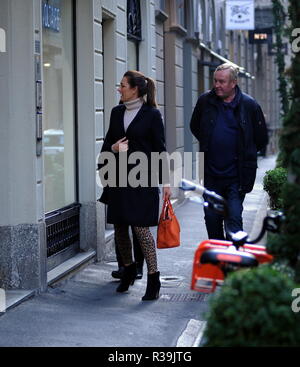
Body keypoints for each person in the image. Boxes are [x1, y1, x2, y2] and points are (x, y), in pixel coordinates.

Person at [98, 70, 171, 300]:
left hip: (143, 178)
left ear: (135, 89)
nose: (119, 89)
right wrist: (113, 150)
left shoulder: (151, 114)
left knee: (140, 229)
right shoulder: (116, 112)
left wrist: (167, 181)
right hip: (119, 177)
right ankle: (128, 270)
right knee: (120, 227)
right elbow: (108, 143)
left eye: (122, 85)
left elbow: (160, 148)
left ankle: (154, 277)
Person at [190, 63, 268, 240]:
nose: (217, 85)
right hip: (211, 175)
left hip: (237, 177)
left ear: (233, 83)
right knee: (211, 218)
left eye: (222, 82)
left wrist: (246, 154)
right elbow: (194, 126)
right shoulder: (205, 101)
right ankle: (218, 260)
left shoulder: (249, 105)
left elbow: (260, 138)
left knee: (233, 220)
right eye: (215, 81)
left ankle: (232, 263)